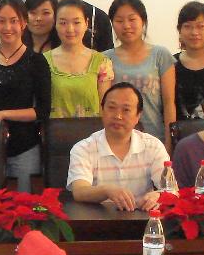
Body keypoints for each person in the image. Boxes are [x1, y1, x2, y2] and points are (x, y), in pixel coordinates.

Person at [0, 0, 51, 192]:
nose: (7, 27)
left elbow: (42, 111)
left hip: (25, 147)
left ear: (23, 23)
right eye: (1, 21)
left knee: (23, 206)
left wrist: (1, 114)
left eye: (14, 21)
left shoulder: (37, 61)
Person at [67, 82, 169, 211]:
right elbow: (79, 191)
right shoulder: (83, 148)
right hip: (97, 219)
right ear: (102, 110)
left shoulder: (153, 146)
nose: (118, 116)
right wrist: (106, 190)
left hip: (143, 219)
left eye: (126, 110)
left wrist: (159, 196)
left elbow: (171, 190)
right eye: (111, 107)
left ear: (138, 116)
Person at [103, 0, 176, 145]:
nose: (126, 25)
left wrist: (169, 143)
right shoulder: (105, 59)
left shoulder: (160, 55)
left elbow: (169, 103)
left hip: (154, 138)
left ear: (143, 21)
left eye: (132, 19)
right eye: (119, 21)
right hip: (117, 140)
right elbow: (103, 106)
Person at [45, 0, 114, 118]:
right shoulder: (43, 61)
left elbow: (105, 107)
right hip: (54, 128)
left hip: (92, 129)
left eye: (76, 22)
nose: (70, 29)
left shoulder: (102, 62)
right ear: (55, 24)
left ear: (86, 23)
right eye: (63, 23)